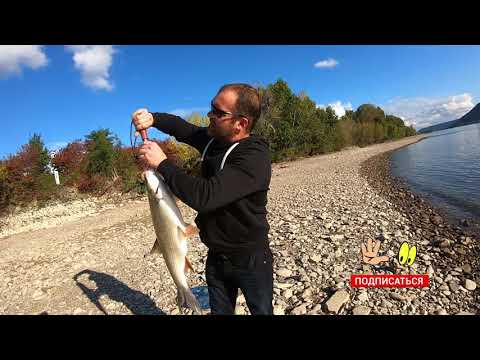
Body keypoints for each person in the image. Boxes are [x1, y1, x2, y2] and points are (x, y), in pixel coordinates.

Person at [132, 83, 273, 315]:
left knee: (262, 311)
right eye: (211, 108)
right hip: (217, 256)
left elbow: (205, 196)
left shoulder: (254, 157)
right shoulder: (213, 139)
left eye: (218, 113)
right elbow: (183, 129)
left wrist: (163, 164)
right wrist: (152, 119)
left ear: (242, 123)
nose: (210, 115)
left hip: (251, 259)